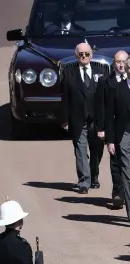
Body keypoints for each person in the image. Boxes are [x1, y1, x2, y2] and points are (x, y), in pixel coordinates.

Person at [61, 42, 104, 194]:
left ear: (91, 55)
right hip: (78, 118)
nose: (84, 57)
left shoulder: (101, 70)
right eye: (81, 54)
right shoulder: (68, 72)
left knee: (97, 149)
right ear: (76, 56)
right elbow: (65, 98)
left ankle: (94, 176)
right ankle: (84, 182)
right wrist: (65, 119)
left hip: (97, 118)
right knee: (80, 149)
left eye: (87, 54)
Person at [95, 50, 128, 209]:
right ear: (113, 63)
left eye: (123, 61)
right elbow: (101, 107)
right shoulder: (105, 81)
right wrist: (101, 128)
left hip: (127, 126)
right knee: (115, 160)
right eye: (118, 62)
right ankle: (118, 192)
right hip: (113, 126)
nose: (121, 65)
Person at [105, 56, 130, 221]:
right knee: (127, 174)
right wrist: (110, 141)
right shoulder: (117, 88)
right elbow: (109, 116)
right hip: (124, 135)